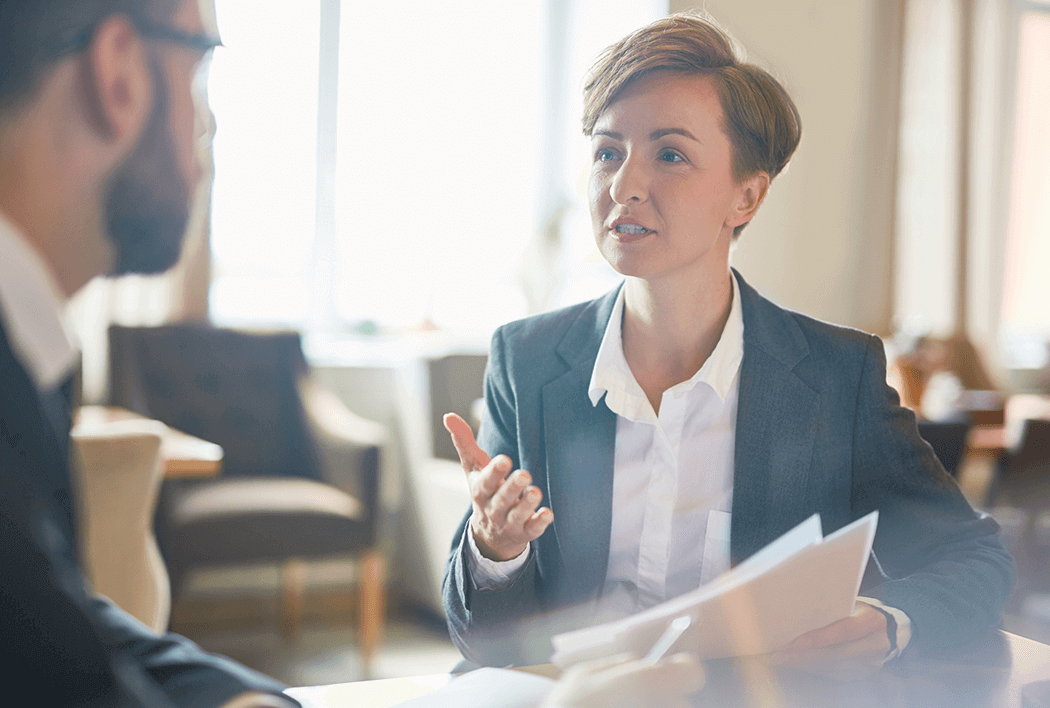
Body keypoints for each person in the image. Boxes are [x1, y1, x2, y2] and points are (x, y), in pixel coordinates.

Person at [0, 0, 703, 705]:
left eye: (671, 153)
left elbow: (55, 630)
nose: (208, 122)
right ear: (117, 72)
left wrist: (242, 697)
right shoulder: (527, 357)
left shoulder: (31, 353)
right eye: (198, 68)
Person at [443, 11, 1014, 677]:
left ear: (746, 197)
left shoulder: (836, 376)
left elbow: (974, 558)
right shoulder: (530, 361)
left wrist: (888, 622)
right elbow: (487, 643)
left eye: (670, 154)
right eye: (607, 151)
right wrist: (495, 548)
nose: (623, 185)